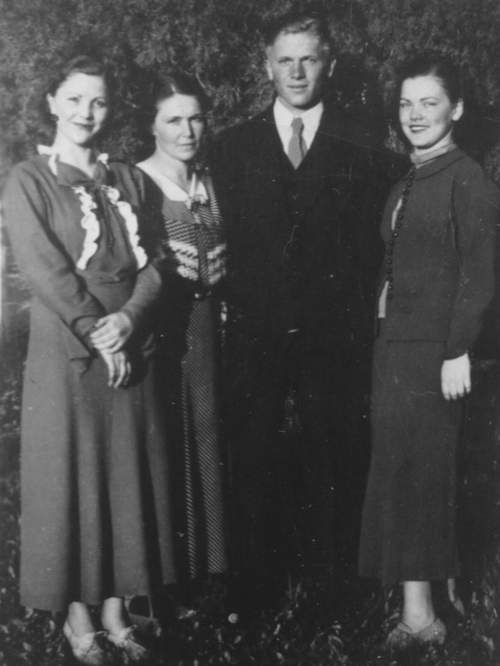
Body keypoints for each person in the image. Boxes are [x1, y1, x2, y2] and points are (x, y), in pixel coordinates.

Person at [213, 7, 393, 598]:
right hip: (256, 332)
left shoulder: (363, 143)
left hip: (334, 333)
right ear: (267, 66)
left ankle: (337, 582)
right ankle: (255, 585)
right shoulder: (231, 148)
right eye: (285, 60)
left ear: (329, 65)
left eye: (308, 59)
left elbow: (373, 248)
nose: (296, 72)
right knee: (253, 450)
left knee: (336, 449)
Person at [2, 54, 175, 665]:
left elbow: (158, 260)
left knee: (125, 473)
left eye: (98, 101)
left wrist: (129, 321)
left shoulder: (130, 179)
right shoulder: (28, 179)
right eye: (74, 99)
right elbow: (43, 268)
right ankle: (77, 614)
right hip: (68, 350)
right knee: (72, 475)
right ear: (52, 101)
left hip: (130, 340)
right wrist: (98, 334)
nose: (86, 112)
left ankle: (117, 610)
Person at [358, 54, 499, 648]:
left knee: (426, 476)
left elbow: (481, 274)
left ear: (457, 109)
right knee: (401, 473)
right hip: (395, 349)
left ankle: (424, 617)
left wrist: (457, 349)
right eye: (406, 103)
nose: (414, 115)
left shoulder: (469, 179)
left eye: (429, 103)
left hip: (435, 354)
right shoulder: (407, 179)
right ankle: (425, 604)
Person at [136, 72, 227, 593]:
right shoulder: (138, 183)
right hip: (162, 333)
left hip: (208, 331)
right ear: (152, 125)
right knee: (167, 439)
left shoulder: (210, 182)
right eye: (173, 120)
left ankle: (212, 571)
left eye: (195, 118)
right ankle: (169, 579)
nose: (187, 131)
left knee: (209, 436)